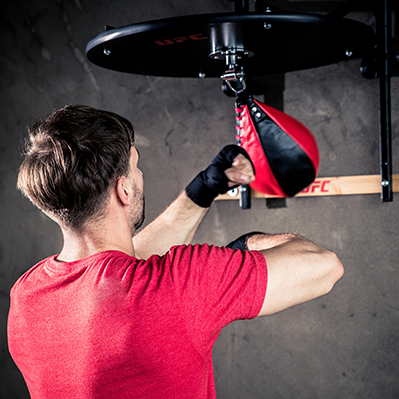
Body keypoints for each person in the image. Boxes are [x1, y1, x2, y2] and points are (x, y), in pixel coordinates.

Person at [8, 105, 343, 399]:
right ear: (124, 189)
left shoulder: (26, 295)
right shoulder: (181, 283)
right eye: (135, 166)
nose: (140, 175)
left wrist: (203, 189)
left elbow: (117, 270)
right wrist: (245, 246)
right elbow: (324, 267)